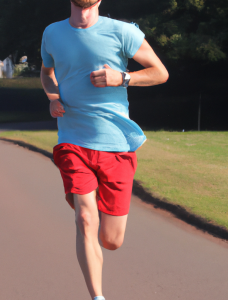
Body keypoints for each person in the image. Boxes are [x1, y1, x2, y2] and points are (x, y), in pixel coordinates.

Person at [41, 1, 169, 299]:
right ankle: (97, 296)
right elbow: (48, 73)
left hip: (116, 144)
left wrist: (123, 78)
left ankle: (97, 210)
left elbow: (160, 73)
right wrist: (52, 96)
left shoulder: (123, 32)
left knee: (111, 240)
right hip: (73, 140)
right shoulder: (52, 33)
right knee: (85, 219)